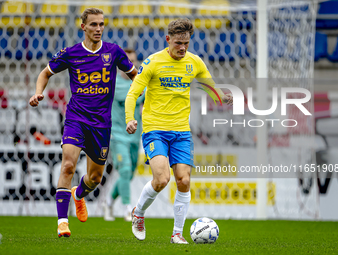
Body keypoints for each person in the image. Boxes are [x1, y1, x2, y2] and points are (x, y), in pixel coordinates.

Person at [29, 8, 137, 238]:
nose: (98, 29)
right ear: (83, 27)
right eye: (94, 25)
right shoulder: (71, 53)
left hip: (101, 125)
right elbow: (45, 73)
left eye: (101, 25)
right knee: (68, 165)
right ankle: (62, 222)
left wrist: (144, 95)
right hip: (76, 118)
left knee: (95, 178)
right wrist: (38, 93)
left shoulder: (114, 52)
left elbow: (136, 76)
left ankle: (78, 194)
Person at [125, 18, 233, 244]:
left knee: (183, 180)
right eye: (178, 43)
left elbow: (209, 86)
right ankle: (139, 213)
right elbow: (133, 94)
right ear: (168, 40)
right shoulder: (153, 62)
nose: (183, 47)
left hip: (182, 132)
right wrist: (130, 119)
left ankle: (177, 234)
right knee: (162, 179)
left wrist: (221, 96)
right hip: (155, 129)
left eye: (186, 43)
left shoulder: (194, 62)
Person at [104, 49, 144, 222]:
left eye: (132, 61)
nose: (129, 65)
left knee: (129, 174)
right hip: (118, 135)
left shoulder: (140, 83)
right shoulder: (112, 84)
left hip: (135, 137)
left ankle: (108, 202)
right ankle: (129, 209)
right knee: (125, 170)